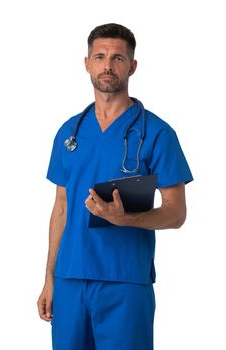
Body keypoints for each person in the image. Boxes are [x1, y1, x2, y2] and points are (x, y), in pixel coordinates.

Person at [37, 23, 193, 350]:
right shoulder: (70, 133)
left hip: (125, 280)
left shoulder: (158, 134)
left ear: (132, 66)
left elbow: (176, 213)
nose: (108, 65)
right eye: (100, 56)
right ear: (87, 63)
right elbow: (61, 208)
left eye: (118, 58)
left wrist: (128, 219)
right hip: (70, 279)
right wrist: (49, 277)